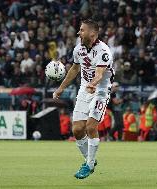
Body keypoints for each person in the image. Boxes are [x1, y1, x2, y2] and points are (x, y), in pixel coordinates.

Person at [53, 19, 114, 179]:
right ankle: (90, 160)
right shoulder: (78, 49)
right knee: (77, 130)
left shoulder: (104, 51)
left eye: (82, 30)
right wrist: (61, 88)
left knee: (90, 127)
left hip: (100, 91)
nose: (79, 33)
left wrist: (93, 84)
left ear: (92, 33)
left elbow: (100, 74)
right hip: (84, 90)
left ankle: (89, 164)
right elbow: (74, 69)